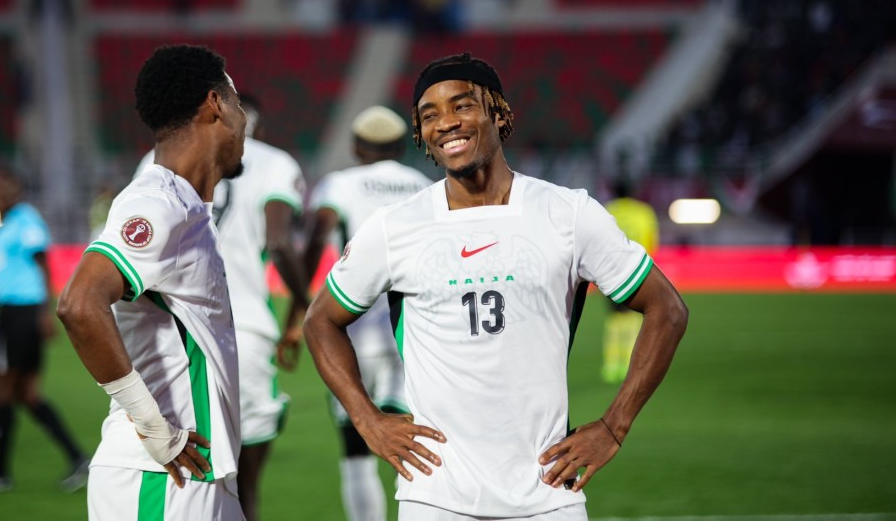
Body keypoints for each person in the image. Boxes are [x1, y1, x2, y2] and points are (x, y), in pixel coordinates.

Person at [304, 52, 689, 520]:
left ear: (499, 113)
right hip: (434, 498)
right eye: (430, 115)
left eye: (462, 105)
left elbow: (667, 309)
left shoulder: (568, 213)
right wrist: (368, 421)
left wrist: (614, 426)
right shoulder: (396, 226)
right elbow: (320, 321)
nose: (447, 123)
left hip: (549, 493)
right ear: (420, 133)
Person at [56, 44, 248, 520]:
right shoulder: (161, 203)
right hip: (162, 477)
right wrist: (152, 426)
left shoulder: (187, 207)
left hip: (195, 471)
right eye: (238, 103)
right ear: (215, 104)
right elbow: (79, 303)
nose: (244, 120)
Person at [134, 92, 311, 521]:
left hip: (171, 334)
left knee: (180, 479)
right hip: (242, 329)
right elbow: (279, 241)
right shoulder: (275, 162)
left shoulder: (158, 159)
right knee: (242, 490)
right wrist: (304, 307)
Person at [302, 105, 432, 521]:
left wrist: (299, 308)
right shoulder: (424, 185)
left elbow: (316, 237)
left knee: (356, 450)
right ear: (400, 146)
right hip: (413, 332)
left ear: (357, 147)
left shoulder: (339, 185)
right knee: (415, 444)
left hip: (351, 333)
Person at [0, 167, 90, 494]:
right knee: (27, 395)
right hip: (13, 312)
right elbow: (7, 283)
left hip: (21, 317)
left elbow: (43, 265)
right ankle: (78, 459)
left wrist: (45, 313)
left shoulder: (26, 221)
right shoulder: (5, 226)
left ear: (16, 191)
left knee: (3, 391)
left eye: (3, 189)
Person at [601, 179, 660, 384]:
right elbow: (652, 242)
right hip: (636, 269)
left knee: (614, 320)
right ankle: (628, 363)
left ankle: (611, 365)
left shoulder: (608, 210)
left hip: (609, 271)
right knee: (633, 319)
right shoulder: (644, 212)